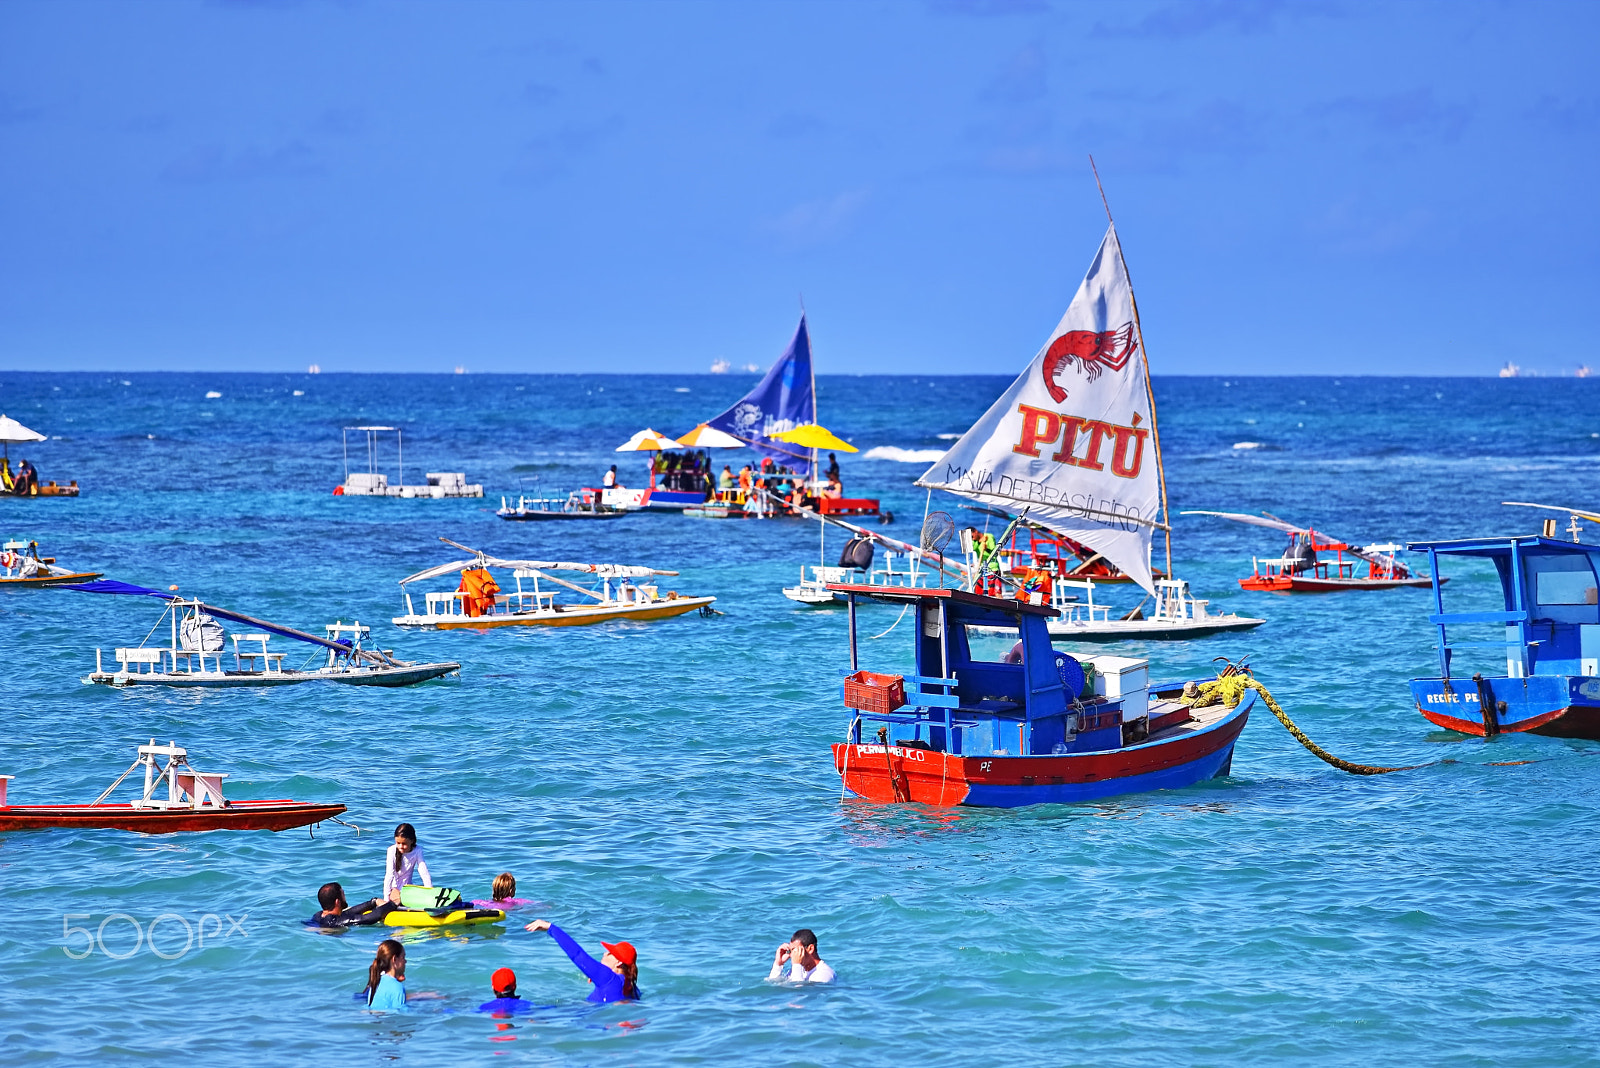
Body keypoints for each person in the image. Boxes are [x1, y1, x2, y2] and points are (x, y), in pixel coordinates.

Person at [523, 918, 640, 1003]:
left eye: (610, 953)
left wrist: (551, 928)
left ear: (619, 963)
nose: (605, 953)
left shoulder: (608, 977)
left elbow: (578, 955)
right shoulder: (633, 988)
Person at [307, 881, 397, 929]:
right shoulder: (336, 921)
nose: (345, 897)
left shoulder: (318, 916)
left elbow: (347, 913)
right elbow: (368, 918)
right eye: (343, 894)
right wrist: (393, 903)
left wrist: (373, 902)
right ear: (337, 902)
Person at [384, 822, 432, 904]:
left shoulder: (417, 850)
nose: (400, 847)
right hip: (394, 889)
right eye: (398, 843)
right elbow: (389, 875)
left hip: (408, 888)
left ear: (412, 841)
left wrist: (430, 891)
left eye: (404, 844)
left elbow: (423, 872)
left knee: (420, 894)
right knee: (400, 900)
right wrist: (386, 899)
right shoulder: (391, 850)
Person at [768, 928, 835, 984]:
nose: (791, 955)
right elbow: (773, 983)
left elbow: (798, 992)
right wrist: (778, 964)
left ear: (810, 949)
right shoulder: (800, 969)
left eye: (795, 950)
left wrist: (797, 965)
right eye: (790, 951)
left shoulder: (824, 974)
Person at [365, 939, 409, 1011]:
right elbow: (401, 1017)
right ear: (394, 959)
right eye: (403, 957)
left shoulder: (376, 982)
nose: (405, 961)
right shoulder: (397, 987)